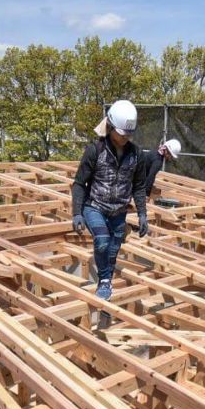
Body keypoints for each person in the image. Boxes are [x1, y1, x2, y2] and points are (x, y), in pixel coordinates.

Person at [71, 100, 149, 300]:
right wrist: (77, 213)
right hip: (95, 206)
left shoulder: (136, 154)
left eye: (129, 134)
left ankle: (107, 279)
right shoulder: (95, 150)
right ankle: (104, 281)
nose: (126, 138)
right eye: (122, 134)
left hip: (119, 211)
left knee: (113, 251)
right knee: (103, 242)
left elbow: (139, 186)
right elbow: (79, 183)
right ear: (111, 127)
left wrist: (142, 214)